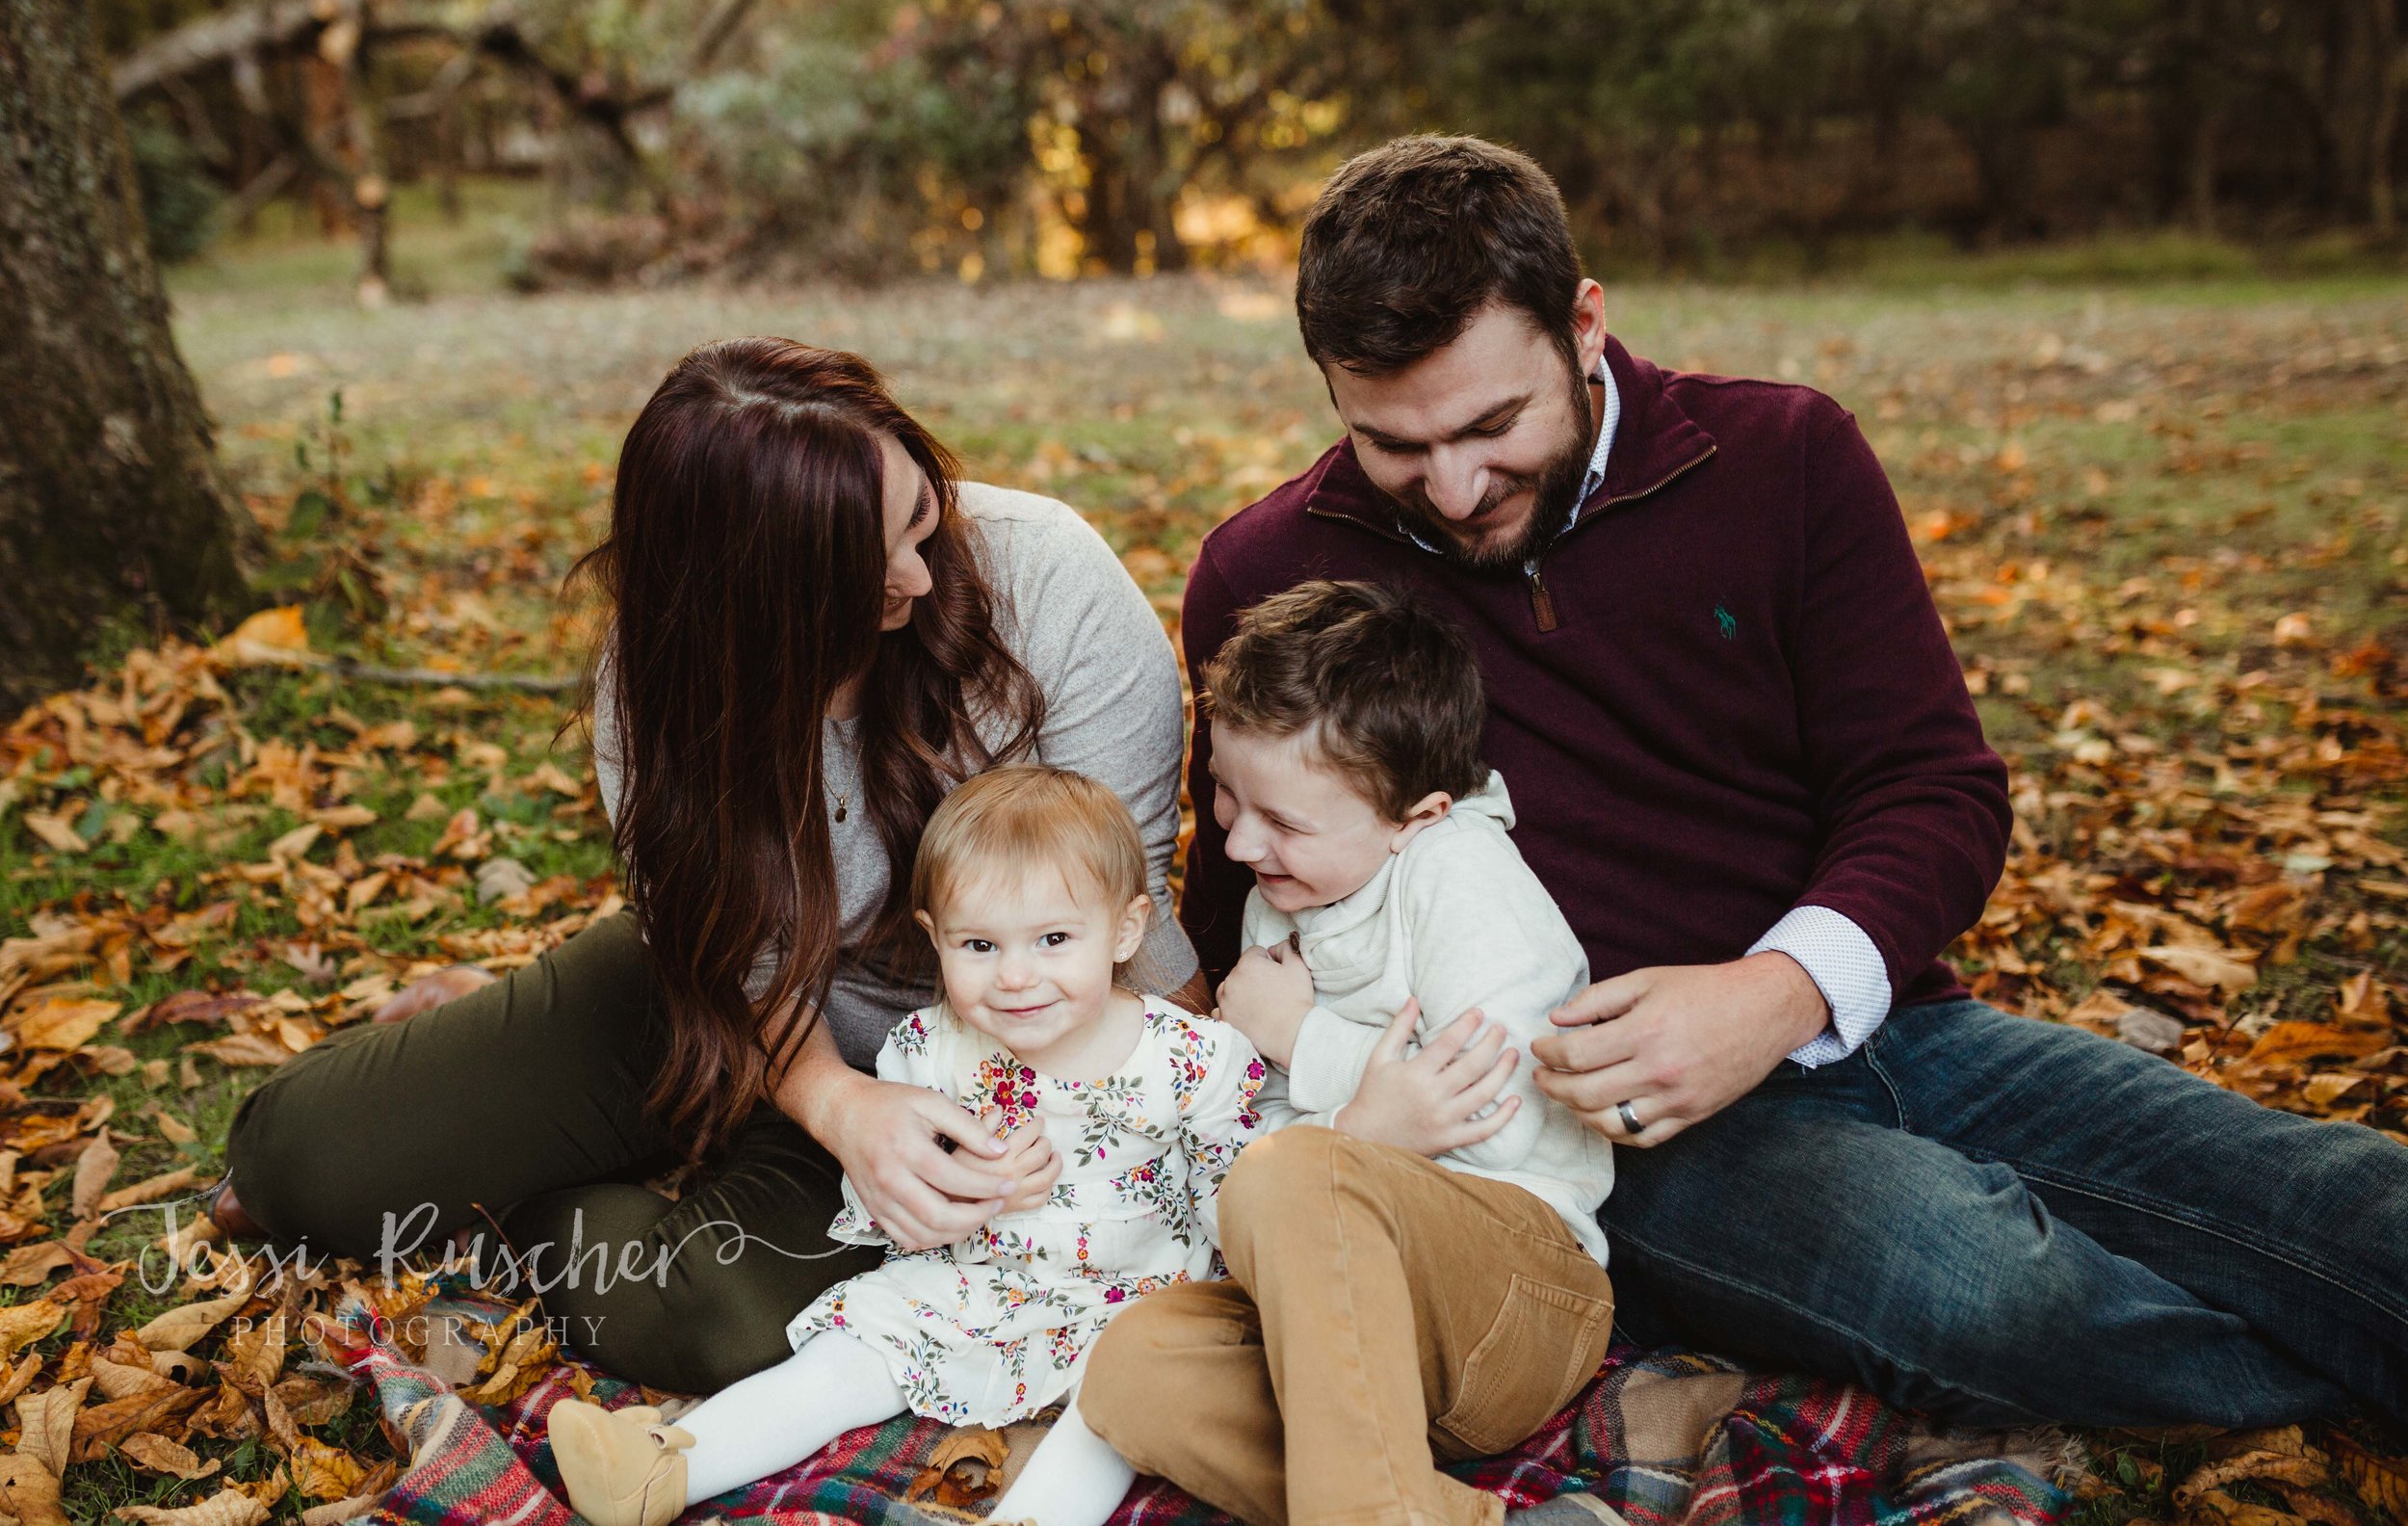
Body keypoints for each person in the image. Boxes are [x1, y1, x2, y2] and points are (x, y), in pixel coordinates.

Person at [1116, 135, 2408, 1434]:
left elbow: (1933, 788)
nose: (1454, 488)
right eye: (1391, 441)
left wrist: (1772, 995)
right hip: (1606, 1126)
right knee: (1989, 1282)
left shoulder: (1782, 457)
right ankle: (2317, 1404)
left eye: (1492, 424)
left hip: (1885, 1020)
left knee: (2322, 1196)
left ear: (1583, 325)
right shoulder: (1273, 574)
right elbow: (1253, 896)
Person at [217, 339, 1205, 1394]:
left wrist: (1180, 1148)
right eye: (861, 571)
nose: (917, 576)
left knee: (716, 1319)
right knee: (296, 1169)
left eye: (918, 515)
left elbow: (1129, 931)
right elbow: (733, 949)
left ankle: (535, 1200)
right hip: (728, 1000)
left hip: (998, 1060)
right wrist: (831, 1098)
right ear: (749, 598)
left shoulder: (1056, 591)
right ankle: (566, 1101)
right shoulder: (658, 680)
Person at [548, 766, 1264, 1526]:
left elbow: (1238, 1202)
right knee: (849, 1350)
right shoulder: (933, 1049)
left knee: (1115, 1409)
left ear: (1124, 929)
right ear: (935, 937)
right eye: (980, 944)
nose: (1017, 976)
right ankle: (663, 1465)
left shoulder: (1189, 1057)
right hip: (973, 1276)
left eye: (1054, 939)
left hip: (1134, 1300)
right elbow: (884, 1193)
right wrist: (961, 1188)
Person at [1088, 578, 1617, 1526]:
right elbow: (1260, 1146)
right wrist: (1350, 1123)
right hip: (1349, 1344)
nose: (1240, 839)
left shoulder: (1462, 882)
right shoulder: (1283, 890)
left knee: (1292, 1170)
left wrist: (1307, 1049)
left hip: (1517, 1297)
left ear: (1417, 815)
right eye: (1222, 791)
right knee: (1130, 1368)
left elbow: (1495, 1125)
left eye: (1283, 821)